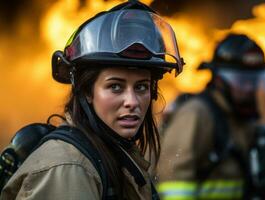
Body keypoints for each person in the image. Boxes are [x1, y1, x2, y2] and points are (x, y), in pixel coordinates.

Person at [0, 1, 184, 200]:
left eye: (141, 87)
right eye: (115, 86)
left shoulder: (111, 153)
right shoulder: (69, 170)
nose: (132, 101)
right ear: (87, 90)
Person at [156, 33, 265, 200]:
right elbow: (173, 184)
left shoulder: (244, 119)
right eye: (241, 80)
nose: (249, 88)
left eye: (255, 80)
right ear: (219, 80)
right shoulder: (197, 114)